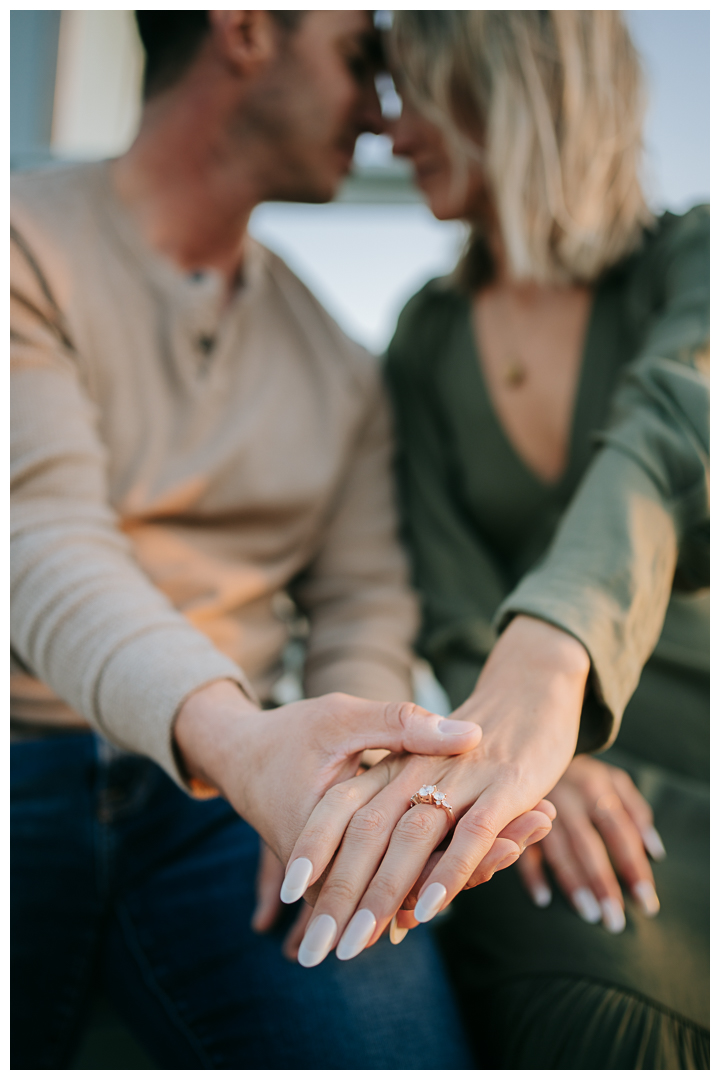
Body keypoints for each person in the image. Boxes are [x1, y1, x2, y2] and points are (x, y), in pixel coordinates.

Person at [11, 10, 555, 1069]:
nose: (383, 109)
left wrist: (344, 785)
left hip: (226, 809)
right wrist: (247, 747)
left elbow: (364, 599)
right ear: (248, 29)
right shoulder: (21, 245)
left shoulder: (338, 362)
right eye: (362, 59)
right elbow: (36, 535)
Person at [381, 10, 709, 1070]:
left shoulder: (694, 260)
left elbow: (671, 440)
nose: (394, 133)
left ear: (512, 93)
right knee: (595, 1013)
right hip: (546, 780)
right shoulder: (425, 339)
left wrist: (549, 670)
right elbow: (447, 594)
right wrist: (531, 756)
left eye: (420, 95)